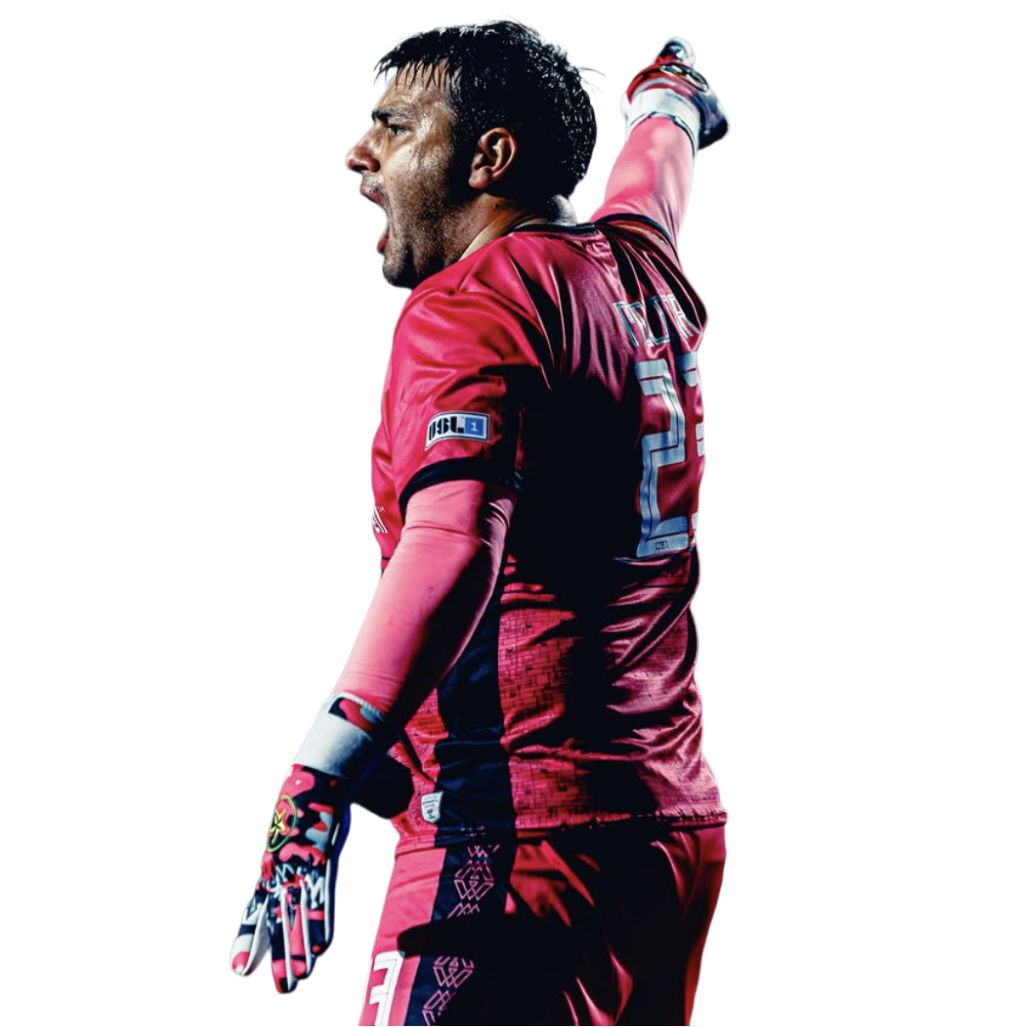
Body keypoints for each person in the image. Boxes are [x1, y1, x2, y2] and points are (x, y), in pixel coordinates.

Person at [230, 16, 730, 1025]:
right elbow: (654, 174)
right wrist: (667, 96)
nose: (359, 153)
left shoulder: (473, 305)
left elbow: (452, 544)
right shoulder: (638, 264)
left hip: (513, 840)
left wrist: (317, 779)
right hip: (668, 833)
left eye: (394, 126)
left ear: (488, 157)